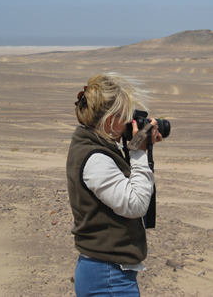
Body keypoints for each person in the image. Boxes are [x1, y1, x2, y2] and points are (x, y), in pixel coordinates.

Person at [66, 73, 162, 297]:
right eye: (127, 116)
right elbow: (136, 204)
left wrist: (140, 143)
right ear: (110, 120)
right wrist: (139, 151)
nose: (130, 122)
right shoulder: (95, 157)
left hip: (106, 272)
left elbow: (121, 177)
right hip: (108, 278)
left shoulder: (92, 146)